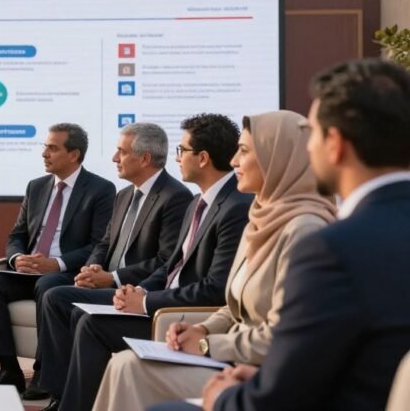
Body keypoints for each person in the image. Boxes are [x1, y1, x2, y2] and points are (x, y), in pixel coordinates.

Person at [150, 59, 410, 411]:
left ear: (334, 144)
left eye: (313, 134)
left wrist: (223, 396)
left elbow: (282, 392)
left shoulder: (330, 247)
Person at [94, 110, 335, 411]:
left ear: (277, 158)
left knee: (129, 368)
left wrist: (209, 345)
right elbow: (233, 304)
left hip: (262, 374)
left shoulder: (305, 230)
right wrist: (203, 329)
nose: (233, 162)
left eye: (243, 152)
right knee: (124, 364)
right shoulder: (260, 219)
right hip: (230, 356)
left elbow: (285, 333)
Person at [36, 115, 253, 410]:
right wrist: (134, 291)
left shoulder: (234, 208)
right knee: (70, 306)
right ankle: (69, 397)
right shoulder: (197, 203)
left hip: (183, 315)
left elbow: (215, 288)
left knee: (89, 323)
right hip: (158, 299)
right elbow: (171, 266)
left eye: (182, 150)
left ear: (202, 158)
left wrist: (147, 300)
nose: (176, 158)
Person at [29, 122, 192, 402]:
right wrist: (91, 268)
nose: (114, 158)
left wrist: (113, 279)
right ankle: (58, 391)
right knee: (52, 292)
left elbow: (166, 261)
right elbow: (104, 243)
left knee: (57, 296)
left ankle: (68, 395)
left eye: (121, 152)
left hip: (132, 288)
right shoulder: (125, 194)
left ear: (144, 158)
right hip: (105, 279)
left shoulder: (174, 197)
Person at [0, 123, 116, 394]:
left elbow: (100, 244)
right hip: (28, 271)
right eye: (45, 147)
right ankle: (9, 369)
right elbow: (16, 235)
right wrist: (17, 258)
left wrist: (56, 263)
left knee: (47, 285)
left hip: (67, 272)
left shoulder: (100, 189)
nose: (44, 154)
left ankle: (43, 371)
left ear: (74, 154)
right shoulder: (36, 186)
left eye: (52, 148)